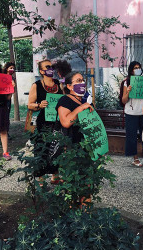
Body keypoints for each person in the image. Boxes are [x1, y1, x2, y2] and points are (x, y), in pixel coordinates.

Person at [56, 72, 94, 206]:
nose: (82, 83)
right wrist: (81, 108)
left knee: (87, 181)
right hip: (71, 148)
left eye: (83, 80)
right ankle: (72, 214)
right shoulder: (64, 100)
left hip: (86, 147)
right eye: (78, 81)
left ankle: (85, 213)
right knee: (72, 182)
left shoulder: (85, 99)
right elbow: (66, 122)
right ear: (69, 86)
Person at [27, 59, 64, 183]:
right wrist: (39, 105)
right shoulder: (36, 85)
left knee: (56, 148)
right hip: (41, 123)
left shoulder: (58, 84)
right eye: (47, 67)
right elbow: (29, 105)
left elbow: (63, 100)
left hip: (56, 122)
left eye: (52, 67)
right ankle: (40, 178)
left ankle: (55, 175)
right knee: (41, 149)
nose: (50, 69)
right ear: (41, 71)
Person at [121, 61, 143, 167]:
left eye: (139, 67)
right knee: (131, 136)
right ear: (131, 70)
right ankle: (135, 158)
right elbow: (124, 100)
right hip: (131, 113)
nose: (138, 69)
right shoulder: (126, 82)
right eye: (135, 68)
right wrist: (128, 91)